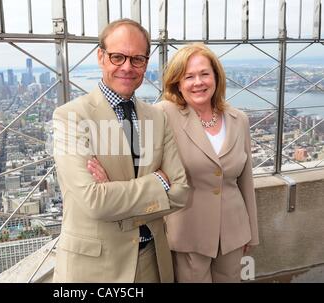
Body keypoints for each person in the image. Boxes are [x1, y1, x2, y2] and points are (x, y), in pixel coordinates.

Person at [52, 19, 189, 282]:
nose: (127, 67)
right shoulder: (71, 116)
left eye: (137, 59)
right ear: (101, 56)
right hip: (95, 270)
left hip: (153, 263)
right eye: (117, 57)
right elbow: (95, 201)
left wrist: (114, 193)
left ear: (146, 64)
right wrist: (159, 182)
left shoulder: (157, 117)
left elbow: (181, 191)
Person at [156, 43, 259, 282]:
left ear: (216, 77)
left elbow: (246, 181)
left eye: (204, 74)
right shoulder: (163, 113)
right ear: (177, 83)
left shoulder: (238, 119)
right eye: (188, 76)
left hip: (233, 232)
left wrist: (251, 234)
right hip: (188, 232)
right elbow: (134, 144)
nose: (198, 82)